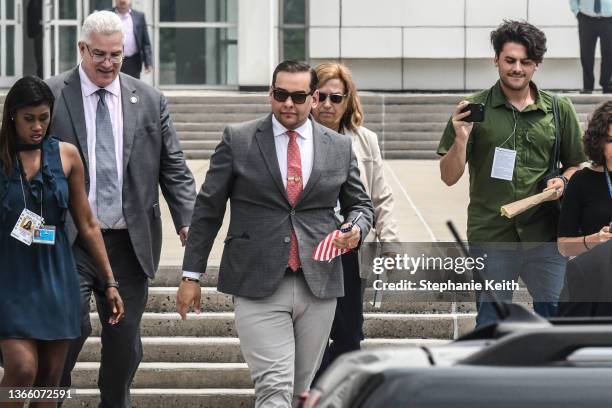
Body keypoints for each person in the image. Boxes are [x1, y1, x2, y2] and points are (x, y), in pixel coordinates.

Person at [176, 60, 373, 407]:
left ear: (313, 98)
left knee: (302, 392)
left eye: (298, 97)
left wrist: (355, 229)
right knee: (273, 388)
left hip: (320, 282)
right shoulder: (238, 139)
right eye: (281, 94)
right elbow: (208, 209)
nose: (288, 104)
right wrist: (191, 274)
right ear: (270, 94)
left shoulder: (338, 147)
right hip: (257, 281)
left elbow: (362, 206)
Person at [45, 11, 196, 408]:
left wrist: (187, 220)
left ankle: (115, 402)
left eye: (117, 54)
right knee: (68, 329)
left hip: (129, 243)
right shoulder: (51, 95)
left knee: (124, 340)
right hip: (69, 242)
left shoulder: (148, 99)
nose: (109, 63)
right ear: (82, 49)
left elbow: (174, 167)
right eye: (99, 54)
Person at [437, 20, 587, 329]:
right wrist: (461, 138)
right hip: (492, 237)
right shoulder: (473, 108)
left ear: (537, 65)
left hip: (546, 236)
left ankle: (550, 378)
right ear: (496, 60)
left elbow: (576, 163)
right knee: (491, 325)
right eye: (510, 60)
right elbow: (449, 176)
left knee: (555, 323)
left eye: (526, 62)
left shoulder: (559, 109)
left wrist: (565, 180)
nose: (517, 68)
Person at [0, 76, 124, 406]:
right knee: (22, 369)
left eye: (44, 117)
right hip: (9, 277)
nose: (38, 126)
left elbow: (87, 223)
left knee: (51, 377)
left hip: (56, 277)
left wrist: (109, 281)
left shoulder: (67, 156)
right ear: (12, 116)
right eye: (29, 119)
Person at [310, 62, 400, 379]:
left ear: (348, 100)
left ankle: (335, 392)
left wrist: (389, 244)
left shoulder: (364, 140)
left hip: (350, 249)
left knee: (349, 337)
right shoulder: (298, 138)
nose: (327, 105)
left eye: (336, 98)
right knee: (312, 337)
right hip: (308, 252)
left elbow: (379, 195)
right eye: (320, 96)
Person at [558, 101, 612, 257]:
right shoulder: (581, 181)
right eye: (610, 140)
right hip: (600, 274)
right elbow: (563, 247)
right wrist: (594, 240)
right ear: (599, 142)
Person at [569, 0, 612, 93]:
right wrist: (577, 12)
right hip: (586, 18)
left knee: (609, 53)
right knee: (586, 54)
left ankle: (607, 84)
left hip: (609, 19)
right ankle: (588, 87)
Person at [110, 0, 152, 79]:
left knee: (132, 88)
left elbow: (145, 42)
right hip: (112, 59)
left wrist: (148, 62)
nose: (123, 1)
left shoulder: (139, 16)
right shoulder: (108, 15)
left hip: (133, 61)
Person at [26, 0, 43, 78]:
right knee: (40, 57)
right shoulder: (35, 2)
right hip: (38, 32)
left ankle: (42, 76)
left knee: (40, 57)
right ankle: (41, 77)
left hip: (38, 32)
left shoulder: (35, 2)